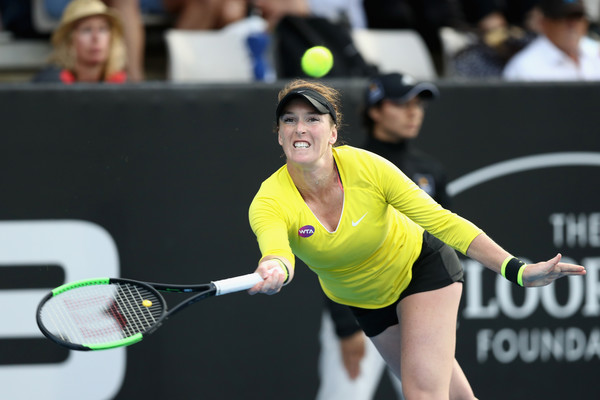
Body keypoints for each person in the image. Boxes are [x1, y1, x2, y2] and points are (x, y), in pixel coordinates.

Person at [247, 78, 586, 399]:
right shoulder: (269, 201)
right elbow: (277, 252)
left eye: (313, 119)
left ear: (333, 133)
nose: (300, 128)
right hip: (367, 304)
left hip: (421, 271)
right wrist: (275, 269)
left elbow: (442, 221)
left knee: (423, 394)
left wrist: (517, 271)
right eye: (289, 120)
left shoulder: (368, 168)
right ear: (279, 135)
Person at [317, 73, 448, 400]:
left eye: (418, 104)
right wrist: (347, 328)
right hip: (358, 309)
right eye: (402, 103)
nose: (413, 112)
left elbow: (443, 245)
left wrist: (443, 316)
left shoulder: (430, 170)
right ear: (375, 110)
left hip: (419, 311)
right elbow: (328, 254)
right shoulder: (343, 169)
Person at [33, 0, 127, 83]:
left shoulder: (122, 84)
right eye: (87, 30)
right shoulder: (50, 83)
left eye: (102, 29)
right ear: (69, 40)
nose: (96, 37)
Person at [503, 0, 600, 81]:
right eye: (563, 18)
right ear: (544, 23)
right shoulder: (523, 68)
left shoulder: (595, 51)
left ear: (586, 22)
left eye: (577, 17)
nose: (572, 25)